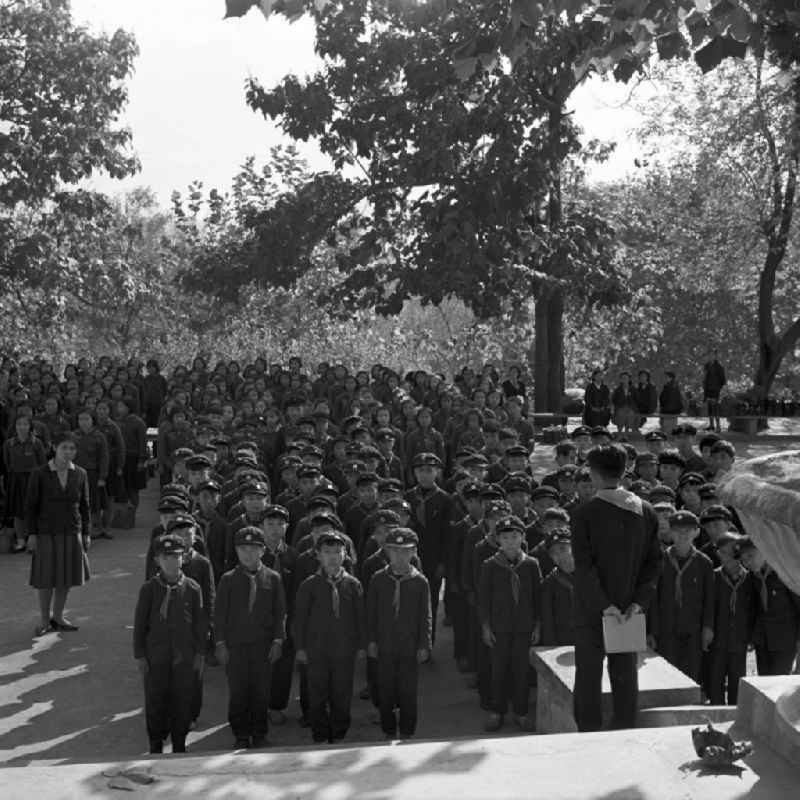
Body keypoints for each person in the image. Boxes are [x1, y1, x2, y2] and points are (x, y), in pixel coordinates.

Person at [571, 444, 662, 732]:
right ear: (625, 472)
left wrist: (603, 605)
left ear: (594, 475)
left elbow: (584, 568)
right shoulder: (646, 511)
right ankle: (624, 727)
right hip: (629, 608)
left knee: (588, 672)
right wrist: (638, 602)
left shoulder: (584, 513)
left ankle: (588, 731)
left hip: (592, 609)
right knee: (624, 672)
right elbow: (654, 563)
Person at [133, 533, 206, 754]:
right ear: (157, 560)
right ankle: (156, 743)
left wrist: (201, 653)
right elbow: (140, 625)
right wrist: (140, 655)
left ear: (183, 558)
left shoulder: (193, 588)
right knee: (155, 701)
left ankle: (179, 743)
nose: (171, 562)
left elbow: (200, 624)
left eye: (176, 556)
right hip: (157, 658)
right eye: (166, 557)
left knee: (182, 701)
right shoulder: (149, 589)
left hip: (184, 657)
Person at [214, 526, 286, 749]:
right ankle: (241, 734)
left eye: (253, 549)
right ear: (236, 551)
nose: (248, 554)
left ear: (262, 551)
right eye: (243, 549)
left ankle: (260, 733)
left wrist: (277, 641)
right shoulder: (228, 580)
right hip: (236, 646)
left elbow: (280, 612)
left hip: (262, 646)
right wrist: (220, 644)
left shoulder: (273, 578)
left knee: (261, 691)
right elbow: (219, 615)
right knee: (238, 692)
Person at [294, 531, 367, 744]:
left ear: (345, 555)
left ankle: (339, 731)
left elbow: (360, 617)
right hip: (316, 649)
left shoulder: (353, 584)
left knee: (342, 693)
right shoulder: (309, 585)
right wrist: (300, 647)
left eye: (337, 551)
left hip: (344, 649)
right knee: (317, 693)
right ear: (318, 555)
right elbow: (299, 620)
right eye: (327, 552)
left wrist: (362, 644)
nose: (333, 557)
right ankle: (319, 732)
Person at [367, 527, 432, 740]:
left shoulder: (420, 581)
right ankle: (388, 729)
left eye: (405, 551)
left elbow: (426, 616)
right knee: (385, 689)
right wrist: (371, 640)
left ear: (414, 552)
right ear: (387, 552)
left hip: (409, 645)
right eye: (395, 551)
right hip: (385, 643)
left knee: (408, 691)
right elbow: (371, 613)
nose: (400, 556)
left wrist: (424, 645)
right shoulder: (378, 579)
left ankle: (407, 730)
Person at [479, 515, 542, 732]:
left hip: (524, 628)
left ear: (523, 537)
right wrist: (486, 627)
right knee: (498, 670)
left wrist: (537, 625)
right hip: (499, 628)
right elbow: (484, 599)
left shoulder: (532, 565)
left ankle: (521, 712)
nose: (510, 541)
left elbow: (537, 597)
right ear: (498, 540)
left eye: (515, 536)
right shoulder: (490, 565)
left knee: (521, 671)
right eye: (505, 537)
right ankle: (497, 711)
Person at [25, 433, 92, 637]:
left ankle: (59, 617)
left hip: (72, 531)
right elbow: (30, 506)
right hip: (46, 532)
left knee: (65, 578)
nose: (69, 452)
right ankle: (45, 620)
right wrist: (32, 534)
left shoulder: (80, 473)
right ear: (54, 447)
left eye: (72, 448)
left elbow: (85, 506)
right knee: (45, 579)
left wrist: (87, 533)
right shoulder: (40, 473)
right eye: (64, 447)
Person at [649, 511, 714, 683]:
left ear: (697, 532)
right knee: (667, 672)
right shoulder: (660, 560)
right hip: (666, 628)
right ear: (670, 532)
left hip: (694, 627)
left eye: (688, 530)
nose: (683, 534)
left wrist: (708, 627)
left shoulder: (704, 562)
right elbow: (653, 598)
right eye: (677, 530)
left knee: (692, 673)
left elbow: (709, 599)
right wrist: (652, 631)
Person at [739, 537, 800, 676]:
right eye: (743, 560)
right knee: (764, 683)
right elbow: (753, 609)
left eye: (750, 555)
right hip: (762, 639)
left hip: (785, 640)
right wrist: (752, 636)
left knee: (779, 682)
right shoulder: (754, 577)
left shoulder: (785, 573)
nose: (747, 562)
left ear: (764, 550)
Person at [709, 532, 756, 705]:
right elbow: (708, 608)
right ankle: (715, 714)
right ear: (718, 554)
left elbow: (753, 610)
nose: (728, 557)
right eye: (723, 552)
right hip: (718, 638)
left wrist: (751, 635)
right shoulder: (713, 577)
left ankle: (735, 715)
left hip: (740, 638)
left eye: (733, 553)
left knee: (738, 679)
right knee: (716, 679)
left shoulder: (750, 578)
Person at [2, 414, 47, 552]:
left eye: (25, 424)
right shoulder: (8, 444)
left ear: (30, 427)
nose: (22, 427)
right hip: (15, 479)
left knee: (33, 510)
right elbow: (7, 463)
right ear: (14, 427)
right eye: (19, 424)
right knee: (17, 512)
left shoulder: (36, 443)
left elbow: (42, 463)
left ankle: (33, 540)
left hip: (33, 479)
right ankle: (21, 540)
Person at [540, 527, 576, 646]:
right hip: (563, 643)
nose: (560, 555)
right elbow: (547, 621)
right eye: (554, 553)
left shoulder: (591, 575)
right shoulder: (550, 583)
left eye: (563, 549)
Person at [703, 350, 727, 432]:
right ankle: (711, 425)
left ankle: (718, 426)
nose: (710, 357)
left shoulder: (719, 367)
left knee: (716, 408)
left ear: (715, 356)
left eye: (712, 355)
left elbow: (723, 380)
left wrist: (719, 389)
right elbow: (705, 377)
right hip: (707, 390)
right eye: (709, 355)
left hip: (716, 390)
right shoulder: (706, 366)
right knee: (709, 408)